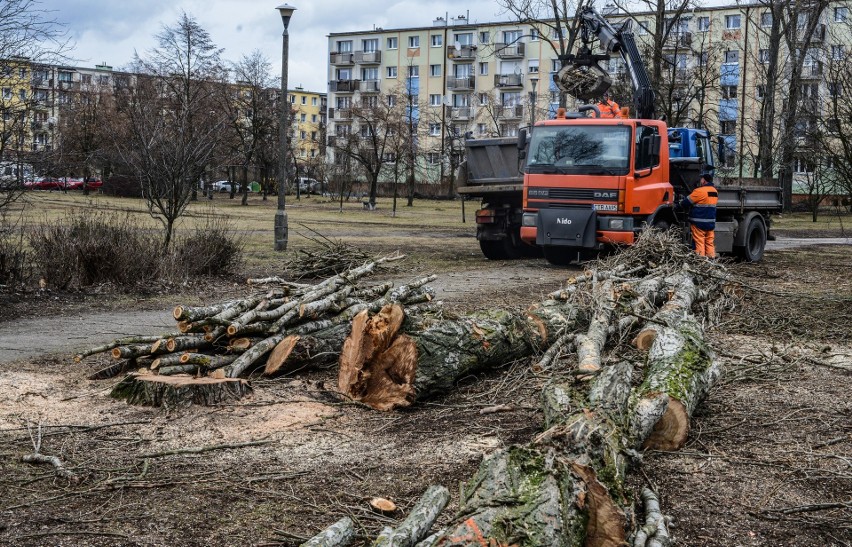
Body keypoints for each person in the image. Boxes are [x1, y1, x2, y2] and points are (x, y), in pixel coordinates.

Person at [681, 173, 718, 257]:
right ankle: (711, 260)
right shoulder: (714, 191)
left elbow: (686, 202)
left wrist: (679, 205)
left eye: (701, 179)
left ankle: (700, 261)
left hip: (699, 222)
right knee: (709, 242)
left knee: (699, 242)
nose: (700, 180)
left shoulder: (699, 191)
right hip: (710, 222)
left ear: (704, 180)